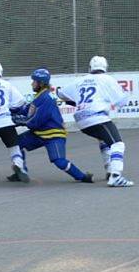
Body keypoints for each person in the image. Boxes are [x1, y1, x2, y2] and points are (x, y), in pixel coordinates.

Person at [57, 56, 134, 187]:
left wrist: (76, 102)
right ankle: (116, 176)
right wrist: (110, 103)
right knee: (118, 144)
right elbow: (122, 100)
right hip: (97, 117)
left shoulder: (80, 80)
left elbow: (60, 93)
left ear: (90, 68)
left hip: (82, 121)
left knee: (104, 140)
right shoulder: (107, 79)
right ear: (105, 67)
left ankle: (109, 170)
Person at [10, 68, 93, 183]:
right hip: (40, 133)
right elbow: (27, 110)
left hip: (54, 135)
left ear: (41, 83)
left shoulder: (47, 98)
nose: (32, 83)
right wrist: (9, 112)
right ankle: (21, 172)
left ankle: (82, 177)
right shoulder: (40, 96)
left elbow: (36, 121)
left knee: (59, 161)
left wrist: (19, 121)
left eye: (34, 81)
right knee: (16, 143)